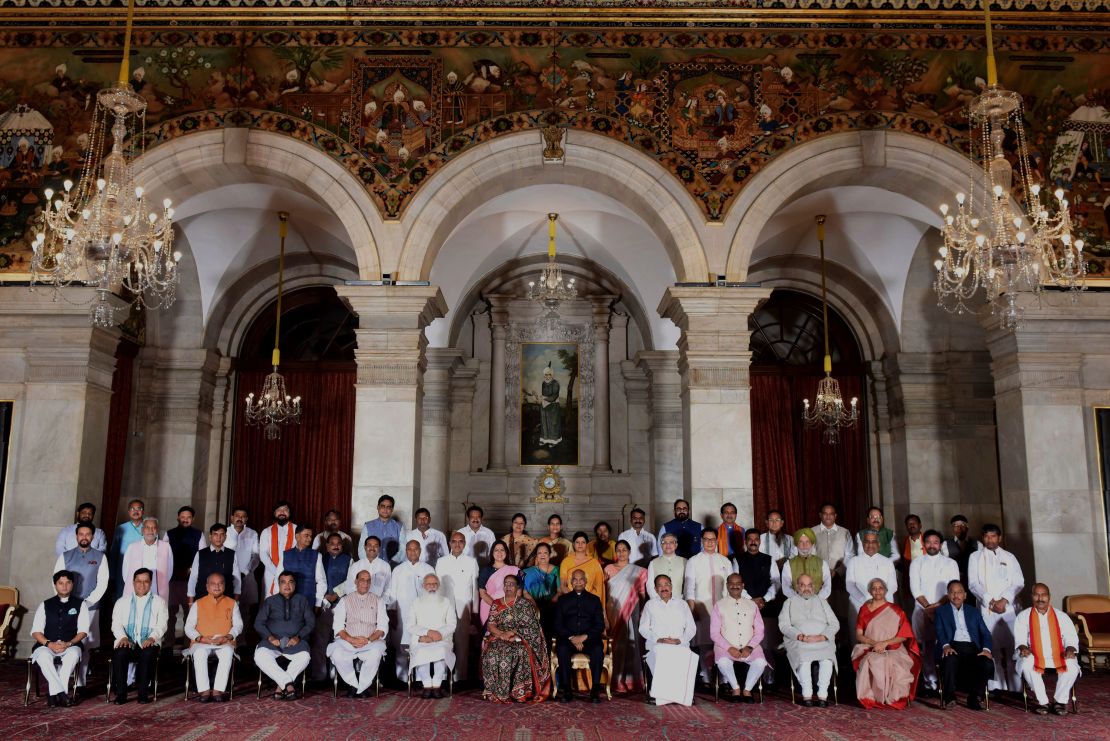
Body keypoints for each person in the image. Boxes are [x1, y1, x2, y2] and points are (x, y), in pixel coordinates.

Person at [968, 523, 1024, 692]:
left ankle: (1016, 687)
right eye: (986, 536)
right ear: (982, 538)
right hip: (987, 609)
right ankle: (995, 687)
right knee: (991, 647)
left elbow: (1019, 582)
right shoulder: (975, 557)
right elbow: (973, 584)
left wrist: (1004, 600)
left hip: (1008, 609)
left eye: (993, 536)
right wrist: (991, 602)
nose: (990, 540)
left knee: (1013, 647)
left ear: (999, 538)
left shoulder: (1009, 557)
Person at [481, 573, 551, 703]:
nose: (508, 586)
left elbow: (533, 627)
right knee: (491, 653)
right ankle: (495, 691)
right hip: (499, 638)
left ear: (517, 587)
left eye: (511, 584)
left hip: (519, 640)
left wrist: (514, 634)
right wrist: (501, 634)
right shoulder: (496, 603)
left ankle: (518, 692)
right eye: (506, 584)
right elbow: (490, 625)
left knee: (515, 653)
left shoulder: (525, 604)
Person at [852, 577, 920, 710]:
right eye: (874, 588)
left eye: (880, 588)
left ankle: (891, 698)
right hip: (869, 647)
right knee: (870, 660)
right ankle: (873, 697)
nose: (877, 591)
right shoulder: (864, 609)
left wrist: (884, 643)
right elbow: (858, 635)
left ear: (886, 591)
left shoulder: (896, 610)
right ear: (870, 591)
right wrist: (874, 643)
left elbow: (904, 636)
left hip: (893, 648)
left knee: (891, 662)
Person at [53, 522, 107, 684]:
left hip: (90, 607)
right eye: (81, 534)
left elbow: (102, 582)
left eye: (87, 534)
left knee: (85, 645)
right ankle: (60, 680)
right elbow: (56, 580)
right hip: (67, 606)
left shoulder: (100, 557)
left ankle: (80, 682)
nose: (84, 537)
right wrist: (64, 601)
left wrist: (88, 602)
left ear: (92, 536)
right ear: (76, 536)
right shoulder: (65, 556)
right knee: (64, 642)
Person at [1014, 582, 1081, 715]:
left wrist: (1070, 648)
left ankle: (1059, 702)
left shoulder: (1061, 616)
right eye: (1037, 595)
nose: (1040, 598)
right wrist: (1023, 648)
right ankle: (1042, 702)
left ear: (1049, 597)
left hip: (1058, 653)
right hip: (1034, 653)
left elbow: (1070, 636)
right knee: (1027, 664)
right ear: (1032, 596)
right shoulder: (1023, 616)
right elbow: (1020, 639)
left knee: (1072, 666)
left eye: (1043, 595)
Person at [908, 529, 959, 693]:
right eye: (928, 542)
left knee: (946, 644)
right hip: (921, 610)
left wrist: (936, 608)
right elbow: (915, 589)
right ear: (924, 544)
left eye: (935, 542)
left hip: (944, 610)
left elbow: (952, 589)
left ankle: (947, 681)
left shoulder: (951, 563)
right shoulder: (916, 563)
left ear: (941, 544)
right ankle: (930, 682)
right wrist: (928, 608)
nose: (932, 545)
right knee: (926, 647)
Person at [30, 570, 90, 707]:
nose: (64, 586)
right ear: (55, 585)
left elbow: (83, 632)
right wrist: (49, 644)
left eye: (68, 583)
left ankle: (53, 695)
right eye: (60, 583)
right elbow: (36, 631)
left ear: (73, 584)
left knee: (73, 655)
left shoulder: (81, 605)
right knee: (43, 657)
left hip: (70, 644)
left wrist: (69, 643)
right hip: (46, 645)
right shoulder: (45, 605)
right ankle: (62, 694)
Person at [684, 528, 737, 683]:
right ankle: (707, 679)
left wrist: (731, 609)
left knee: (723, 644)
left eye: (712, 539)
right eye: (706, 539)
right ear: (702, 541)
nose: (709, 542)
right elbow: (689, 587)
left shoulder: (725, 561)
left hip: (723, 609)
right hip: (702, 607)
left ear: (717, 541)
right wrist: (692, 608)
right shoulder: (693, 561)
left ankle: (724, 681)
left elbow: (731, 587)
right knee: (704, 644)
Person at [109, 568, 168, 705]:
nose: (142, 585)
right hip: (127, 640)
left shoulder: (159, 602)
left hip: (149, 641)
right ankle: (121, 693)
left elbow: (162, 625)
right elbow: (116, 624)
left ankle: (143, 693)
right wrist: (123, 637)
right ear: (133, 582)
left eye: (146, 581)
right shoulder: (122, 602)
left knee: (148, 653)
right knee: (120, 653)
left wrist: (153, 637)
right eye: (139, 581)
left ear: (151, 583)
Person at [779, 574, 838, 707]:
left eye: (809, 585)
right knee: (802, 657)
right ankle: (807, 694)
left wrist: (823, 636)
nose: (806, 588)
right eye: (803, 585)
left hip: (822, 640)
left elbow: (835, 623)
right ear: (797, 587)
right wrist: (800, 637)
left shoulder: (822, 601)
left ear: (814, 587)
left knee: (827, 659)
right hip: (799, 641)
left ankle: (823, 695)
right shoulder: (789, 602)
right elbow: (784, 625)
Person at [254, 571, 315, 700]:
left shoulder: (302, 600)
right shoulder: (270, 601)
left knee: (304, 656)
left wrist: (298, 637)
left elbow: (310, 623)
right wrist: (270, 637)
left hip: (295, 642)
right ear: (279, 585)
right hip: (272, 642)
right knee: (260, 656)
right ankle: (287, 684)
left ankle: (280, 685)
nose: (287, 585)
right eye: (283, 582)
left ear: (295, 584)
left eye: (290, 582)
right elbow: (258, 623)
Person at [328, 569, 388, 698]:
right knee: (337, 653)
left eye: (368, 581)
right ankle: (354, 685)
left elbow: (382, 627)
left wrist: (368, 640)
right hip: (348, 642)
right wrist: (351, 640)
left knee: (376, 653)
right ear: (356, 582)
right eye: (362, 580)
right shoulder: (345, 600)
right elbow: (337, 626)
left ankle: (364, 686)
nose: (365, 584)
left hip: (370, 642)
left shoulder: (379, 600)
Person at [639, 574, 698, 706]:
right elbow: (643, 629)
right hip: (657, 645)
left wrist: (680, 640)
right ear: (655, 589)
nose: (663, 588)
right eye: (660, 585)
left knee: (685, 655)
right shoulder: (650, 605)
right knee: (661, 654)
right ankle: (660, 696)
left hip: (679, 645)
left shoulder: (682, 604)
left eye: (666, 584)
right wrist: (659, 639)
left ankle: (683, 695)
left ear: (671, 587)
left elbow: (691, 628)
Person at [934, 580, 993, 711]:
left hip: (972, 647)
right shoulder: (941, 611)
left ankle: (974, 697)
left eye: (959, 592)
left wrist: (986, 649)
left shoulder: (974, 611)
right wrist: (945, 646)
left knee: (987, 663)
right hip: (952, 645)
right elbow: (939, 631)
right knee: (949, 659)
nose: (956, 595)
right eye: (953, 592)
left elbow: (985, 633)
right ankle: (949, 696)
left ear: (965, 595)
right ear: (948, 595)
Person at [184, 572, 241, 703]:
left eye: (220, 583)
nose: (217, 586)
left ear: (224, 586)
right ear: (207, 586)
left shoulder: (232, 603)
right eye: (213, 584)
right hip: (202, 642)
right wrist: (200, 638)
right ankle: (204, 690)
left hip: (224, 642)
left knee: (227, 652)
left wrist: (227, 637)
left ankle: (218, 690)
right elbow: (188, 627)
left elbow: (238, 625)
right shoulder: (198, 603)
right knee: (199, 653)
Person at [710, 574, 767, 702]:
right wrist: (729, 648)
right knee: (723, 662)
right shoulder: (719, 605)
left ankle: (747, 690)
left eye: (738, 583)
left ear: (743, 586)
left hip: (750, 646)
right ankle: (735, 688)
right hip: (725, 646)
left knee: (761, 662)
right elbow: (714, 633)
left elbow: (760, 631)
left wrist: (750, 647)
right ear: (727, 586)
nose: (735, 586)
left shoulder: (752, 605)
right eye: (731, 583)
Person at [553, 569, 606, 703]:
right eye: (575, 580)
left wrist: (584, 637)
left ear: (586, 581)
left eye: (581, 579)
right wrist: (572, 637)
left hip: (589, 639)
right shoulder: (562, 600)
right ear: (571, 582)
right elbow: (557, 624)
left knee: (598, 650)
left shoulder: (594, 600)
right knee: (562, 650)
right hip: (568, 639)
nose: (578, 582)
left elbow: (600, 625)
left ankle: (594, 690)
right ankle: (567, 690)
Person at [604, 540, 647, 693]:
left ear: (629, 552)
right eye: (618, 550)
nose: (621, 553)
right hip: (613, 610)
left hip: (632, 610)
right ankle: (614, 680)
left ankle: (632, 681)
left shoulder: (640, 571)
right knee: (615, 645)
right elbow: (604, 593)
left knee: (631, 643)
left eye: (624, 550)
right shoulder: (608, 569)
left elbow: (641, 594)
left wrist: (642, 613)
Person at [436, 531, 479, 683]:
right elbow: (438, 587)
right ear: (449, 543)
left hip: (464, 608)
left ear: (464, 544)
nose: (457, 544)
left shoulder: (471, 562)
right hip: (445, 608)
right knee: (445, 642)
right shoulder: (441, 561)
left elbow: (474, 589)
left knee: (462, 645)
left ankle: (460, 678)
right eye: (454, 541)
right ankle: (442, 678)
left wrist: (475, 613)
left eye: (460, 541)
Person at [390, 539, 436, 680]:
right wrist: (392, 612)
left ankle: (421, 679)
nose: (413, 552)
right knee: (402, 646)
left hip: (423, 615)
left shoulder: (428, 569)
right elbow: (392, 593)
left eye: (415, 549)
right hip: (402, 613)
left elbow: (434, 592)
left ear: (420, 551)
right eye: (410, 549)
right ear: (406, 551)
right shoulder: (398, 569)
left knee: (421, 646)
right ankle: (402, 678)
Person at [405, 574, 457, 698]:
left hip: (442, 638)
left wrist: (440, 634)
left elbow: (452, 624)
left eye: (434, 584)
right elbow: (410, 625)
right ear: (423, 586)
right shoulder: (416, 602)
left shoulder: (446, 602)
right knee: (422, 651)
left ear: (438, 586)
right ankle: (427, 685)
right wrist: (427, 632)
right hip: (422, 638)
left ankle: (437, 685)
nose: (432, 587)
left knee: (441, 651)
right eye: (429, 584)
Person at [164, 506, 207, 643]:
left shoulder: (199, 534)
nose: (185, 520)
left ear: (193, 519)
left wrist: (192, 570)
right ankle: (168, 642)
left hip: (190, 580)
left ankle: (189, 643)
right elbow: (163, 556)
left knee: (190, 614)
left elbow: (202, 556)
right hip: (171, 579)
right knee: (169, 613)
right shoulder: (169, 534)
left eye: (188, 517)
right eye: (183, 517)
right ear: (178, 518)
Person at [313, 532, 353, 681]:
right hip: (323, 604)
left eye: (339, 544)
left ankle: (336, 675)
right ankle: (319, 675)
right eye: (332, 543)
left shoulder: (348, 560)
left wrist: (336, 594)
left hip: (341, 604)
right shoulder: (320, 559)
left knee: (338, 640)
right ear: (327, 546)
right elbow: (317, 580)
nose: (336, 546)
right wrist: (323, 597)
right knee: (321, 639)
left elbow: (351, 581)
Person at [846, 530, 898, 622]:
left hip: (883, 606)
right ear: (862, 543)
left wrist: (879, 602)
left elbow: (893, 586)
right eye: (867, 542)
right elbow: (850, 586)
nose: (870, 545)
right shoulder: (853, 561)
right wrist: (866, 601)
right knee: (859, 635)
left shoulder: (888, 562)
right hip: (859, 605)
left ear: (878, 544)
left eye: (873, 542)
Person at [187, 522, 241, 603]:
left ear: (225, 537)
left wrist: (236, 601)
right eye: (215, 534)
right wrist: (191, 602)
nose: (218, 537)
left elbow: (237, 579)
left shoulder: (231, 554)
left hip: (225, 599)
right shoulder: (201, 554)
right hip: (203, 598)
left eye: (222, 534)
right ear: (210, 536)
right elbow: (193, 578)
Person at [122, 517, 174, 598]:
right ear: (142, 530)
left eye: (153, 527)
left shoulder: (166, 547)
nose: (150, 530)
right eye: (147, 527)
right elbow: (125, 571)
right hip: (136, 589)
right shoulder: (132, 547)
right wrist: (136, 584)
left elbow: (169, 570)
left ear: (157, 530)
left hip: (158, 590)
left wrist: (161, 583)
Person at [225, 506, 260, 623]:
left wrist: (246, 571)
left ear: (246, 519)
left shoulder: (252, 533)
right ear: (232, 518)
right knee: (227, 609)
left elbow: (256, 556)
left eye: (243, 516)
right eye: (237, 516)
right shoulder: (224, 532)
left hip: (246, 576)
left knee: (244, 610)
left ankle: (241, 640)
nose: (240, 518)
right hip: (227, 577)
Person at [521, 542, 560, 642]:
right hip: (533, 604)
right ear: (536, 555)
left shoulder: (557, 570)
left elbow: (560, 591)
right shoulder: (527, 572)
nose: (542, 555)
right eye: (539, 553)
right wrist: (535, 605)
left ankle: (548, 651)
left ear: (550, 554)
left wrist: (550, 604)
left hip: (552, 605)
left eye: (545, 553)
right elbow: (525, 592)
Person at [283, 525, 327, 609]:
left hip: (308, 600)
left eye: (311, 536)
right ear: (297, 536)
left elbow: (321, 581)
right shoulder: (285, 555)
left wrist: (318, 603)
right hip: (287, 599)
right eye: (306, 535)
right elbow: (279, 579)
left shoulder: (316, 555)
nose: (310, 539)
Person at [258, 501, 296, 598]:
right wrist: (277, 572)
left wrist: (285, 573)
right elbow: (263, 554)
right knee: (270, 602)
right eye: (279, 510)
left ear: (290, 513)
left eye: (285, 510)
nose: (282, 512)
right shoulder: (266, 531)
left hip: (292, 573)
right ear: (274, 513)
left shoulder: (297, 530)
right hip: (271, 573)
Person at [781, 528, 831, 600]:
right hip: (796, 603)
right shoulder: (788, 564)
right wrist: (798, 599)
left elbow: (827, 586)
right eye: (801, 542)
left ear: (812, 544)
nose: (805, 545)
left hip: (819, 603)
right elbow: (786, 587)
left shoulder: (822, 563)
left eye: (808, 542)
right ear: (796, 544)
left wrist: (817, 599)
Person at [110, 499, 146, 598]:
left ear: (143, 511)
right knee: (122, 598)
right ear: (128, 511)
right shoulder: (121, 528)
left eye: (139, 509)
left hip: (143, 569)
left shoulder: (149, 527)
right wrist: (112, 576)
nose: (135, 511)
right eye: (132, 509)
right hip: (122, 570)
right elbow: (114, 553)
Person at [559, 532, 605, 605]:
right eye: (577, 542)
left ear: (587, 544)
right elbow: (563, 586)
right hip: (571, 601)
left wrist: (586, 598)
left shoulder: (594, 563)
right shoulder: (566, 561)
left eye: (583, 542)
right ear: (573, 544)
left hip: (590, 602)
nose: (580, 545)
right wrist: (574, 597)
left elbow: (598, 587)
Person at [734, 530, 775, 608]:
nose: (753, 542)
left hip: (766, 604)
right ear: (745, 541)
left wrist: (765, 599)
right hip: (744, 604)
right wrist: (750, 599)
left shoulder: (769, 559)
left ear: (759, 541)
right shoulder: (737, 560)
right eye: (750, 539)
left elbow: (776, 582)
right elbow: (735, 583)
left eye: (756, 539)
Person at [941, 514, 980, 596]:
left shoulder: (977, 544)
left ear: (967, 528)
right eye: (956, 525)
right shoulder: (945, 544)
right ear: (952, 528)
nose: (959, 528)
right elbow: (944, 565)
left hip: (973, 585)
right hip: (954, 585)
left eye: (962, 525)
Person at [357, 495, 404, 563]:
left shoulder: (399, 527)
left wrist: (392, 562)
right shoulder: (368, 526)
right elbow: (362, 549)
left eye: (388, 507)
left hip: (393, 565)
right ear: (378, 507)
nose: (385, 509)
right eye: (383, 506)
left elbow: (403, 549)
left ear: (392, 509)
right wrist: (370, 562)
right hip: (371, 564)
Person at [647, 532, 686, 599]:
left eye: (671, 542)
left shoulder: (685, 561)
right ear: (661, 545)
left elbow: (688, 584)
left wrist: (684, 600)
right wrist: (656, 599)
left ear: (676, 545)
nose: (668, 545)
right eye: (664, 542)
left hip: (680, 601)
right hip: (659, 601)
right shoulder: (653, 563)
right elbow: (650, 585)